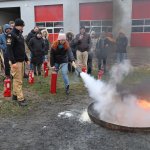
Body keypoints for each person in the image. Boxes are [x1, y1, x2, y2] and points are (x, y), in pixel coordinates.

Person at [6, 18, 29, 106]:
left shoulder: (20, 35)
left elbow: (22, 49)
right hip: (16, 62)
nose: (23, 28)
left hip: (21, 60)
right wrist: (13, 62)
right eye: (22, 26)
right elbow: (9, 50)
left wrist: (26, 59)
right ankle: (20, 99)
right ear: (17, 25)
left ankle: (15, 95)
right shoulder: (11, 35)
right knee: (18, 80)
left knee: (18, 79)